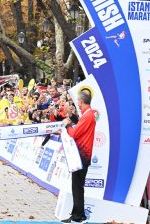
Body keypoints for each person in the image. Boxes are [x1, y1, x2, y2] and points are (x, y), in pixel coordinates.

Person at [60, 91, 96, 223]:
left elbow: (74, 133)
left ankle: (77, 215)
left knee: (77, 186)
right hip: (81, 155)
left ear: (81, 102)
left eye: (78, 103)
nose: (77, 105)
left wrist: (67, 125)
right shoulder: (87, 114)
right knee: (78, 186)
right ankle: (79, 214)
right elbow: (80, 124)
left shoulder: (88, 115)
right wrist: (71, 116)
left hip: (82, 156)